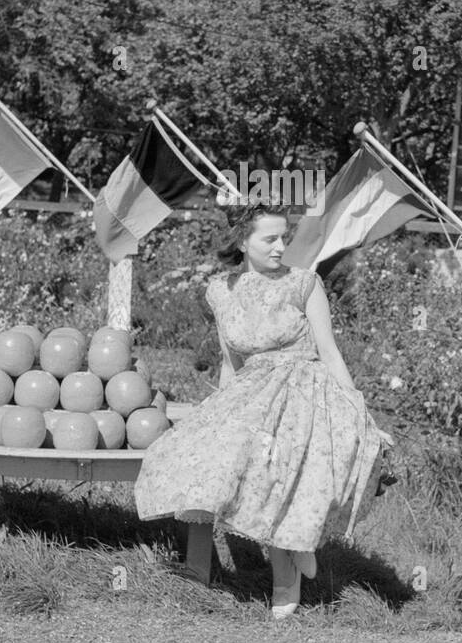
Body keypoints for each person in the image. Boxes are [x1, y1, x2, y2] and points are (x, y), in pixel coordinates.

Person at [133, 201, 391, 619]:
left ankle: (287, 566)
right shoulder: (221, 290)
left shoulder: (304, 284)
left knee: (274, 468)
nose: (279, 247)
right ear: (242, 241)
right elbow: (229, 361)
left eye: (283, 238)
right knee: (200, 454)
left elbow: (329, 352)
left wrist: (356, 407)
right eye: (269, 239)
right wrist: (215, 415)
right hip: (252, 389)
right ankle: (198, 573)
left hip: (304, 390)